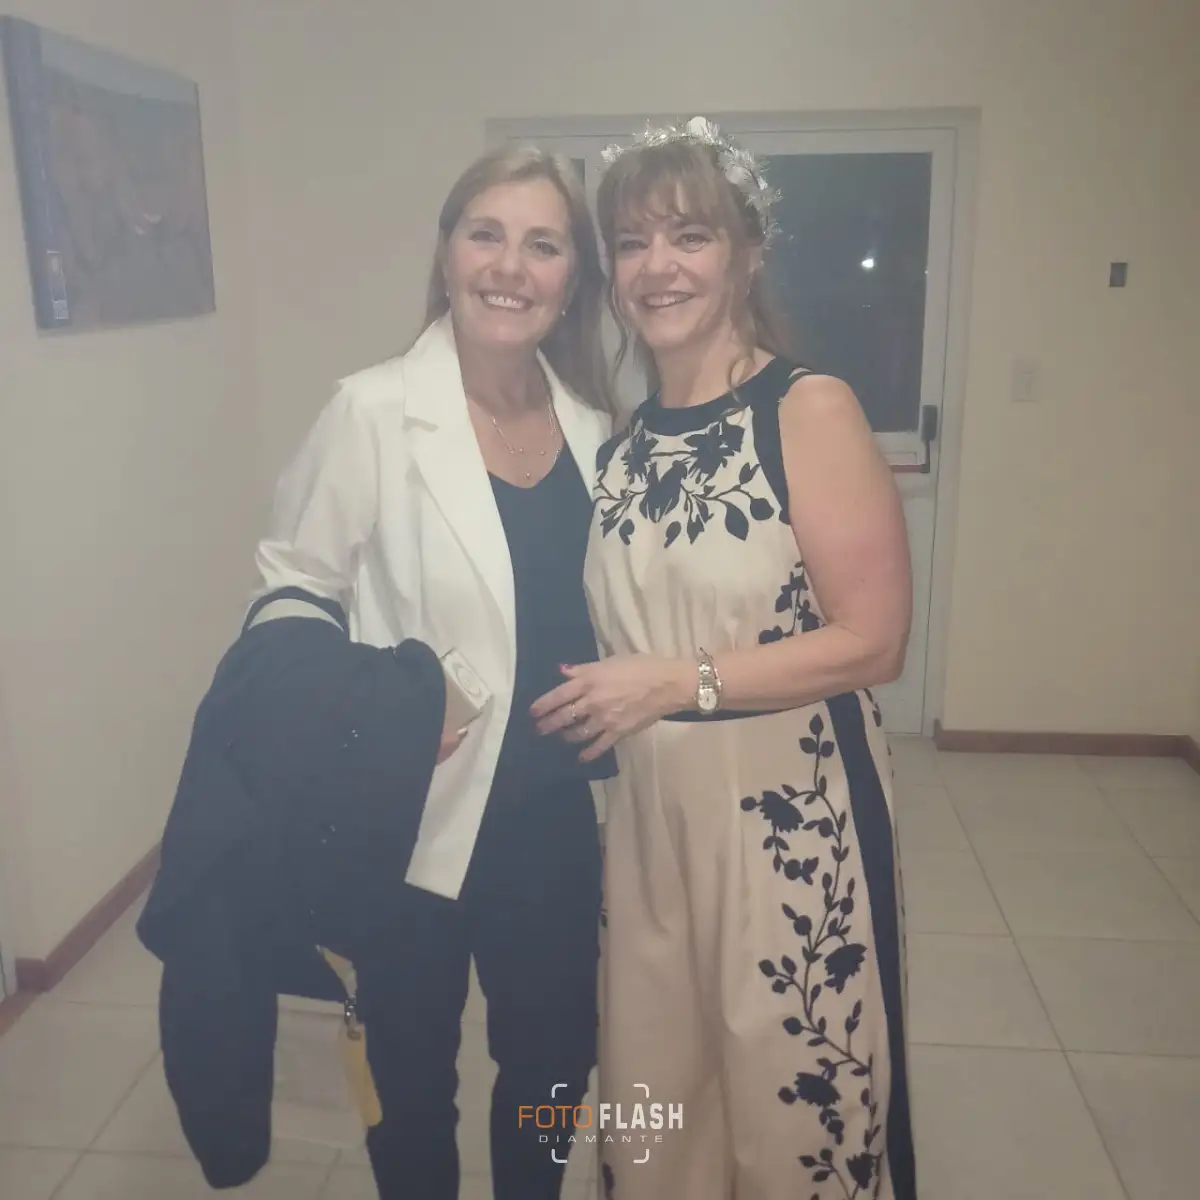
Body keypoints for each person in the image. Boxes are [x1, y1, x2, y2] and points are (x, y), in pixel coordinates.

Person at [531, 118, 917, 1199]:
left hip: (793, 821)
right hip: (651, 828)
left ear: (746, 254)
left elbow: (875, 640)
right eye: (631, 243)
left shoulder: (807, 409)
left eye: (688, 237)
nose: (656, 267)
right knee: (662, 1098)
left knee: (789, 1103)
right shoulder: (620, 448)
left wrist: (677, 682)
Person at [252, 145, 616, 1200]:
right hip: (409, 812)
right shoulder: (372, 411)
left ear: (572, 279)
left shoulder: (594, 428)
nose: (510, 266)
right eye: (485, 234)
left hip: (553, 812)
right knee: (410, 1076)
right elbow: (291, 587)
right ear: (448, 253)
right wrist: (364, 708)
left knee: (554, 1062)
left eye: (543, 245)